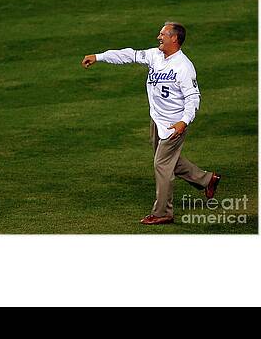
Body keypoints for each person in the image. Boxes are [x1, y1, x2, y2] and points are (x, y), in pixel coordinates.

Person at [81, 22, 221, 225]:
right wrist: (99, 56)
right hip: (157, 119)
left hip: (175, 124)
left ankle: (163, 212)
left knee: (162, 164)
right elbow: (128, 55)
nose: (158, 37)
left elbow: (193, 98)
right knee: (167, 159)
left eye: (163, 34)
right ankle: (207, 179)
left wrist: (184, 121)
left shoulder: (183, 67)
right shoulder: (154, 55)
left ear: (174, 38)